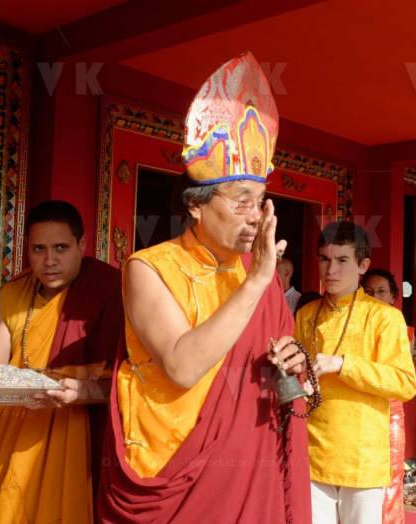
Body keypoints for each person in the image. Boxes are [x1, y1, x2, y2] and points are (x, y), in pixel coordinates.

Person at [97, 52, 311, 522]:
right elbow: (182, 366)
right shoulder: (149, 268)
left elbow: (277, 351)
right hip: (174, 464)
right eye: (241, 202)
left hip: (249, 459)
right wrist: (257, 281)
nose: (255, 217)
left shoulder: (258, 275)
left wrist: (296, 356)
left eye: (260, 203)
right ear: (195, 206)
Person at [0, 200, 124, 522]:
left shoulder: (114, 291)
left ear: (83, 244)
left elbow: (135, 381)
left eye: (61, 247)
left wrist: (83, 393)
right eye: (39, 248)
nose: (49, 260)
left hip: (89, 440)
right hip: (22, 437)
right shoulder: (11, 296)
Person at [294, 222, 416, 524]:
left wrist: (343, 365)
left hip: (362, 456)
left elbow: (405, 383)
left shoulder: (385, 317)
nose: (330, 270)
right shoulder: (306, 314)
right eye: (324, 258)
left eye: (342, 260)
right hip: (313, 452)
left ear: (363, 265)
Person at [362, 267, 411, 524]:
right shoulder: (353, 322)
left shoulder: (397, 322)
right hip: (360, 408)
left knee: (390, 475)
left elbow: (401, 377)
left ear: (393, 296)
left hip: (389, 408)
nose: (374, 296)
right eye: (368, 291)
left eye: (381, 291)